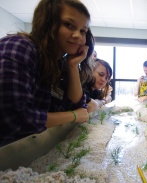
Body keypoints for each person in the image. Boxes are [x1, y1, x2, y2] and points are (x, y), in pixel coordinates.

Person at [0, 0, 93, 146]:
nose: (78, 36)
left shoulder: (60, 63)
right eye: (69, 25)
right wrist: (73, 116)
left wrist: (73, 66)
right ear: (47, 23)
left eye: (83, 31)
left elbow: (77, 106)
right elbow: (15, 118)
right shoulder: (20, 47)